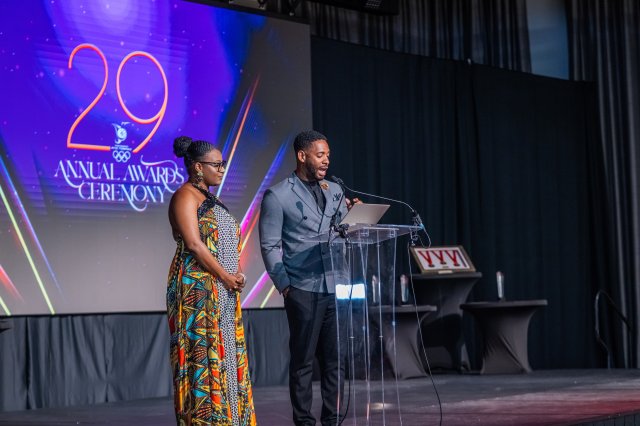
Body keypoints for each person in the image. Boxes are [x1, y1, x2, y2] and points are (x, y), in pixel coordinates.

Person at [259, 130, 357, 426]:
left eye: (328, 155)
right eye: (320, 155)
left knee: (335, 360)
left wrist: (355, 216)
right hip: (302, 287)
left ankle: (333, 419)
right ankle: (304, 422)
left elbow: (342, 230)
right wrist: (285, 285)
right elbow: (270, 245)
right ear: (302, 156)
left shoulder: (335, 189)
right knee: (303, 362)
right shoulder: (278, 195)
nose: (326, 160)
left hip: (335, 283)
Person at [167, 136, 257, 426]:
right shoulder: (185, 196)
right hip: (198, 289)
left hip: (223, 288)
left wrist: (236, 273)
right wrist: (226, 276)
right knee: (203, 357)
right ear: (197, 166)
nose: (222, 169)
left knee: (226, 353)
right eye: (216, 165)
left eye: (223, 164)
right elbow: (194, 244)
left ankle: (232, 419)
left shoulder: (211, 199)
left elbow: (223, 243)